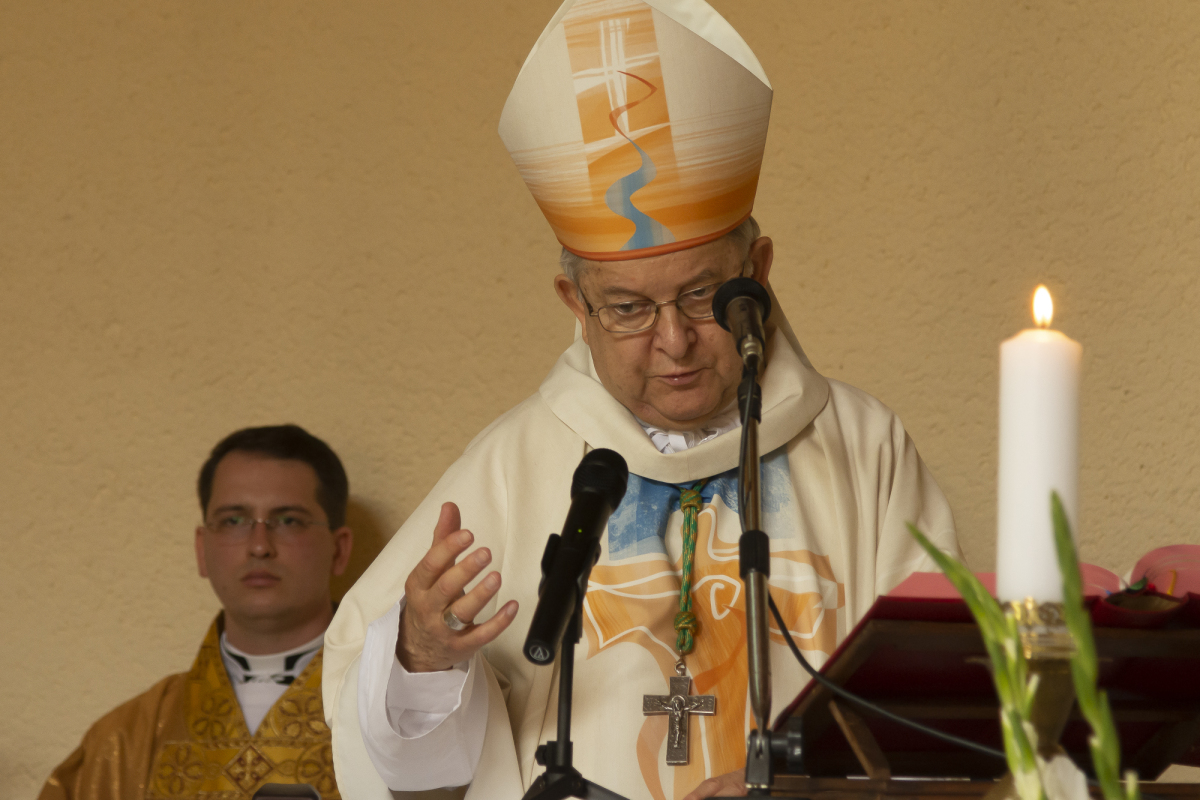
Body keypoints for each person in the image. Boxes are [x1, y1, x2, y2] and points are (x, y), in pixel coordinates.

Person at [323, 2, 962, 799]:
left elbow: (942, 710)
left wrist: (805, 786)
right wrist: (420, 658)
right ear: (575, 303)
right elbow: (394, 740)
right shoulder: (516, 465)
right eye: (628, 308)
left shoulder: (864, 448)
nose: (673, 341)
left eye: (700, 296)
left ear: (758, 271)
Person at [40, 425, 354, 800]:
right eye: (233, 520)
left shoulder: (398, 713)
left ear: (339, 550)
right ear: (202, 550)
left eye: (288, 520)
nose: (259, 546)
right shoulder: (122, 744)